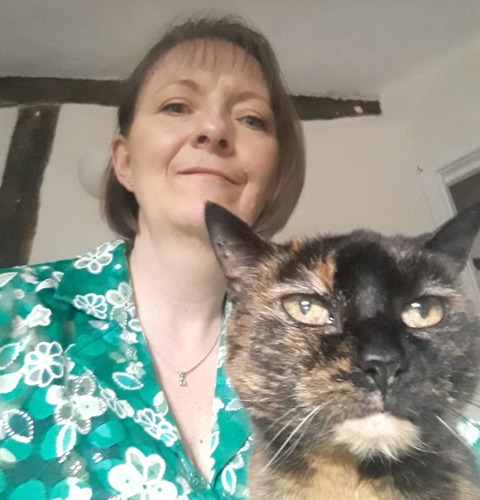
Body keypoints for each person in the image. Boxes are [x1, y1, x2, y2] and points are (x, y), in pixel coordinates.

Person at [0, 16, 305, 499]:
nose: (212, 129)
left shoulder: (325, 341)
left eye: (250, 119)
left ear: (272, 177)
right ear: (124, 161)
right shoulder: (10, 311)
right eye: (177, 106)